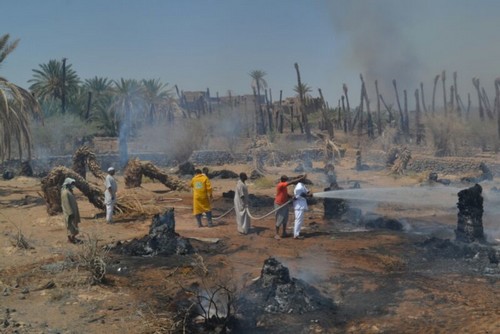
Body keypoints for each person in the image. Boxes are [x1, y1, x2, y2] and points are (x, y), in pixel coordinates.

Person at [274, 174, 305, 239]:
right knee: (279, 219)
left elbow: (285, 194)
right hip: (279, 204)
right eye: (286, 180)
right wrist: (301, 178)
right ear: (284, 180)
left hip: (284, 204)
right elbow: (291, 182)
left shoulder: (284, 186)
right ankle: (276, 234)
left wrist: (291, 196)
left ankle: (284, 232)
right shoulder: (281, 184)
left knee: (285, 218)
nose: (287, 181)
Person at [61, 177, 81, 244]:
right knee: (70, 226)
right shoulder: (65, 192)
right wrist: (70, 213)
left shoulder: (69, 191)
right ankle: (70, 240)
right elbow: (66, 204)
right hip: (70, 213)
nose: (73, 185)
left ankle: (73, 238)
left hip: (73, 212)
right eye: (71, 183)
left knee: (74, 225)